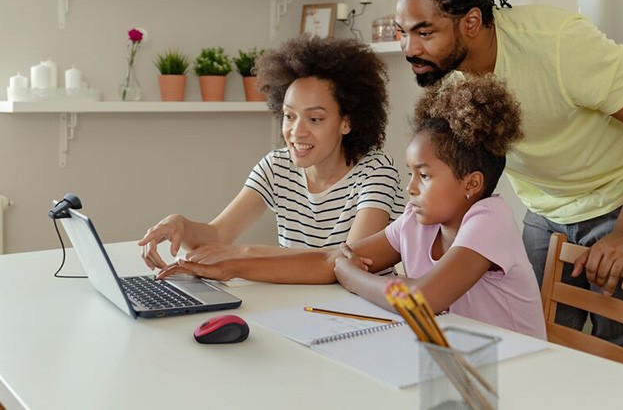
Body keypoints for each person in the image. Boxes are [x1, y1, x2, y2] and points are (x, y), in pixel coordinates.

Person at [393, 0, 623, 349]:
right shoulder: (445, 76)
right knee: (531, 339)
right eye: (403, 32)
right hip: (547, 206)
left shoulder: (555, 43)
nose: (409, 48)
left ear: (471, 22)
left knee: (620, 347)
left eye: (424, 32)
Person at [159, 73, 547, 340]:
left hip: (518, 372)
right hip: (458, 359)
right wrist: (229, 266)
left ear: (472, 184)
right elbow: (329, 259)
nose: (410, 188)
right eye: (412, 173)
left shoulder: (489, 220)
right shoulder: (416, 221)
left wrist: (350, 274)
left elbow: (422, 301)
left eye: (424, 176)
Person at [138, 36, 405, 275]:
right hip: (293, 307)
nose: (296, 132)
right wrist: (182, 226)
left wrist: (242, 256)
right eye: (289, 116)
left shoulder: (376, 173)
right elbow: (218, 235)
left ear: (347, 122)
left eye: (314, 119)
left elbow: (347, 263)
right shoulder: (277, 166)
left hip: (360, 316)